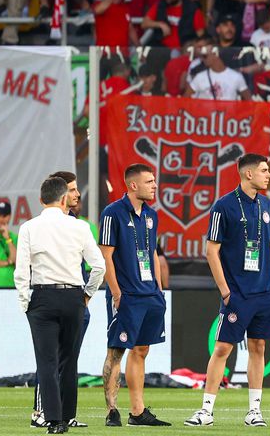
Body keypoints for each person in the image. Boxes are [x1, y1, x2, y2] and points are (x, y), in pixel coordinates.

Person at [185, 153, 270, 428]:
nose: (268, 175)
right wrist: (226, 291)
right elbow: (211, 251)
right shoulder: (223, 207)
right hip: (238, 294)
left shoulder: (267, 206)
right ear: (248, 174)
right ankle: (205, 411)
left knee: (258, 347)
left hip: (266, 293)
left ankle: (254, 411)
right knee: (223, 348)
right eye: (264, 170)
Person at [15, 175, 105, 435]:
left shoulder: (29, 227)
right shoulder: (80, 227)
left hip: (43, 297)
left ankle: (53, 421)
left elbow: (21, 271)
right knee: (69, 360)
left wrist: (25, 303)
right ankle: (68, 416)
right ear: (64, 198)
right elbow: (98, 266)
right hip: (73, 297)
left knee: (46, 361)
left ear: (42, 200)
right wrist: (86, 296)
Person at [100, 164, 171, 427]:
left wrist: (158, 288)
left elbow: (151, 252)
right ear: (133, 185)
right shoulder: (112, 214)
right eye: (149, 181)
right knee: (116, 351)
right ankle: (112, 412)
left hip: (149, 294)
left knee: (141, 350)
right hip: (126, 295)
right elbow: (105, 256)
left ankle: (137, 412)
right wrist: (116, 293)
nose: (154, 185)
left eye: (154, 181)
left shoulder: (152, 215)